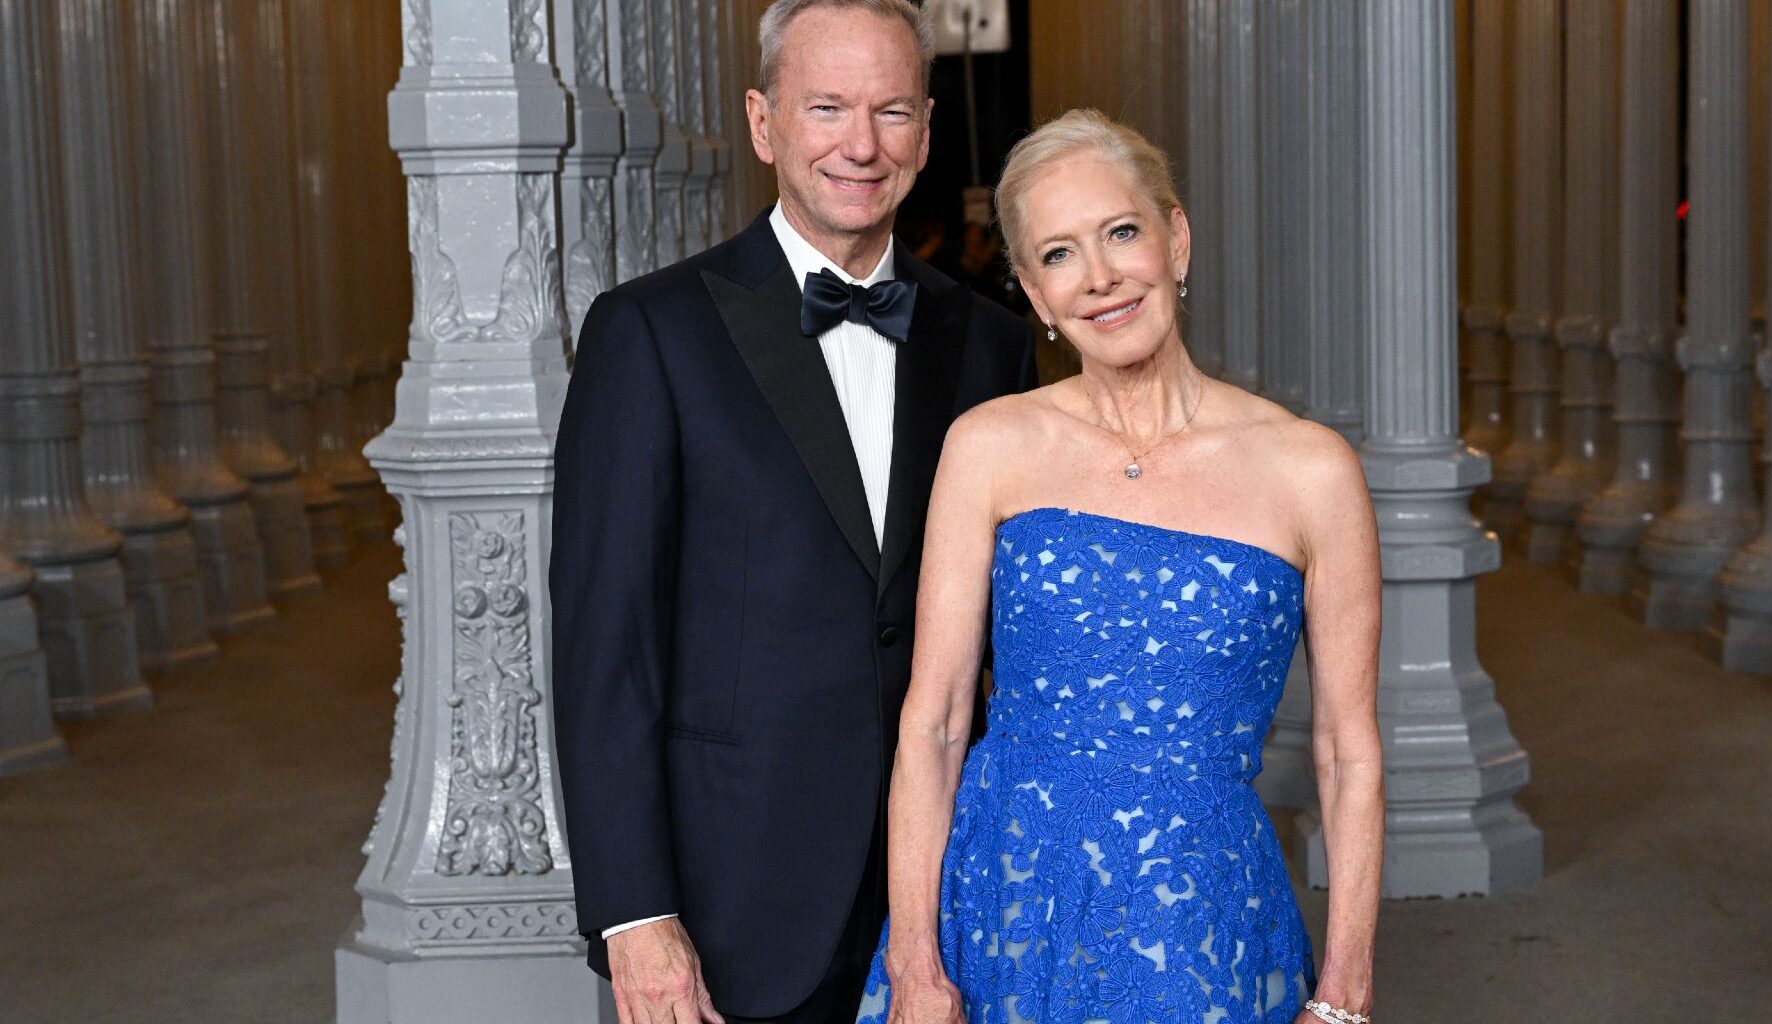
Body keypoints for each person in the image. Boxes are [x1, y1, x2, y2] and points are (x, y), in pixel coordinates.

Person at [547, 1, 1035, 1021]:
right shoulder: (649, 332)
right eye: (827, 108)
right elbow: (607, 651)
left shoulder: (990, 344)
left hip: (949, 885)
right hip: (736, 898)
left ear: (927, 133)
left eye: (891, 111)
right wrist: (635, 914)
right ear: (765, 123)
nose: (862, 145)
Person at [857, 109, 1385, 1024]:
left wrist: (1345, 993)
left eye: (1122, 233)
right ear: (1033, 291)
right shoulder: (989, 447)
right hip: (1004, 911)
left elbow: (1347, 751)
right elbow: (934, 723)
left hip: (1202, 922)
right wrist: (914, 963)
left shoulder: (1311, 470)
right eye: (1059, 255)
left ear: (1176, 240)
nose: (1099, 277)